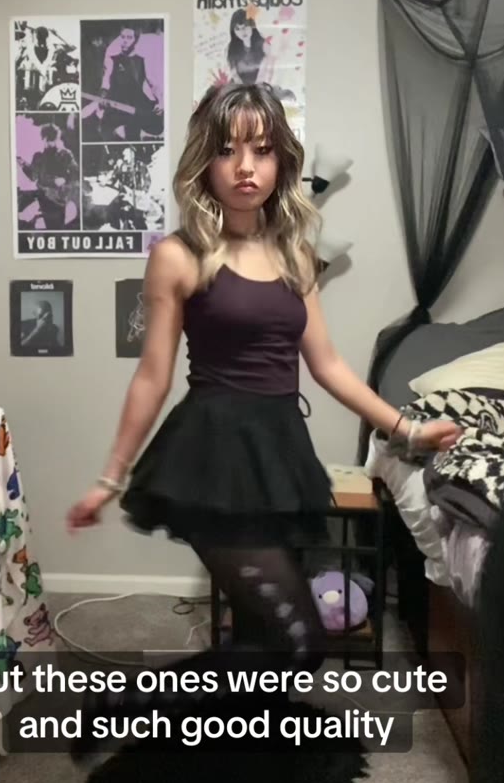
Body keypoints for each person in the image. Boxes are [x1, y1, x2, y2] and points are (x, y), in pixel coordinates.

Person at [66, 82, 460, 733]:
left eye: (262, 150)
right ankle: (122, 706)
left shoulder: (296, 255)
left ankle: (239, 751)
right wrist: (110, 478)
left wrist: (408, 429)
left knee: (260, 633)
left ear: (282, 162)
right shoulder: (178, 256)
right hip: (210, 458)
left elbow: (327, 365)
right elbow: (152, 377)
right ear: (205, 162)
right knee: (298, 642)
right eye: (227, 150)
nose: (245, 167)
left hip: (278, 453)